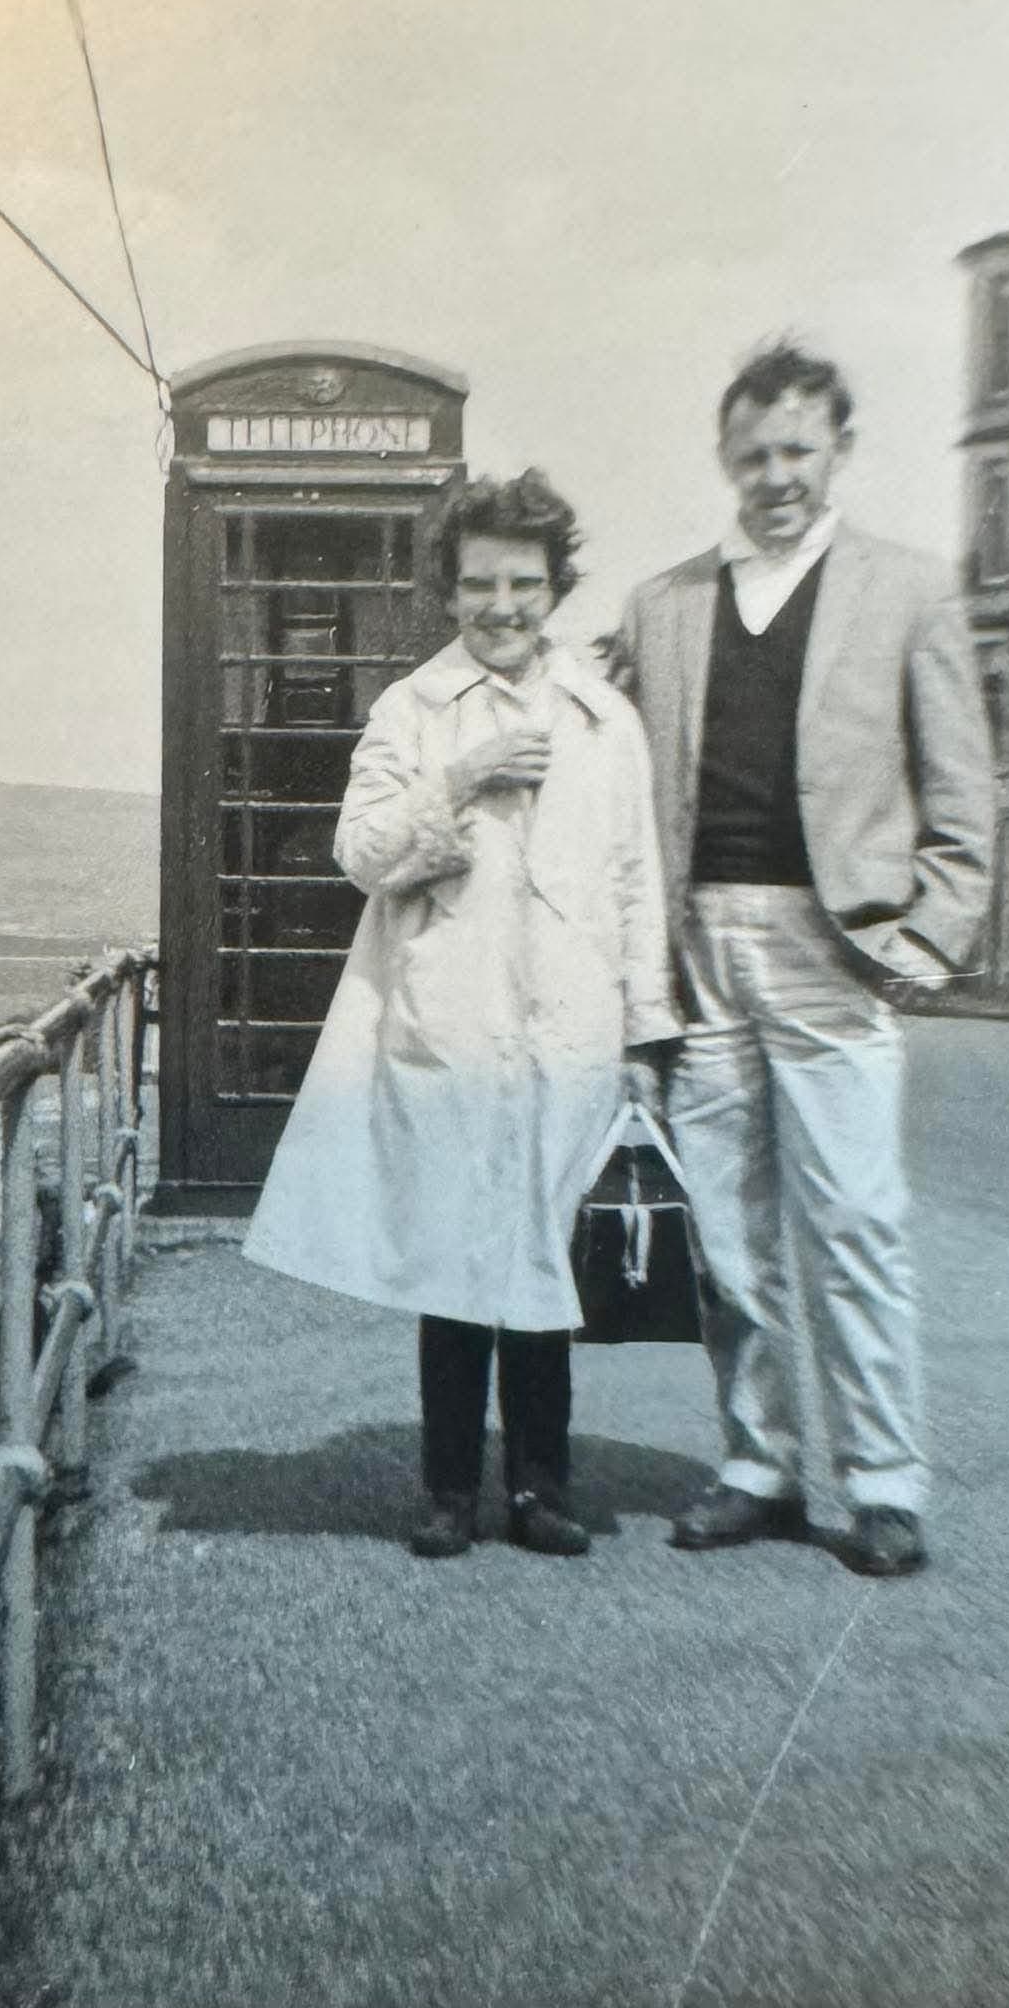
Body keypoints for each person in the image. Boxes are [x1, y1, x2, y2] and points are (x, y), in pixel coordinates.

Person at [244, 471, 680, 1560]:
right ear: (448, 589)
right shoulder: (410, 710)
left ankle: (541, 1485)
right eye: (480, 582)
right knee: (453, 1259)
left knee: (544, 1251)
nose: (503, 605)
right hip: (453, 1017)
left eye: (524, 583)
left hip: (569, 1027)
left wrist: (644, 1034)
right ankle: (447, 1487)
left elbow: (636, 880)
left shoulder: (603, 720)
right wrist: (463, 776)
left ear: (556, 585)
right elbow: (358, 854)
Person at [619, 340, 994, 1578]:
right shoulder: (662, 602)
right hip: (701, 942)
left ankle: (883, 1480)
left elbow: (961, 789)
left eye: (797, 450)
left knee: (853, 1221)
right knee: (727, 1229)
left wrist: (930, 932)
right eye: (753, 454)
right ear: (725, 458)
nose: (775, 475)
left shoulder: (909, 587)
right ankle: (759, 1464)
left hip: (831, 944)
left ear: (838, 449)